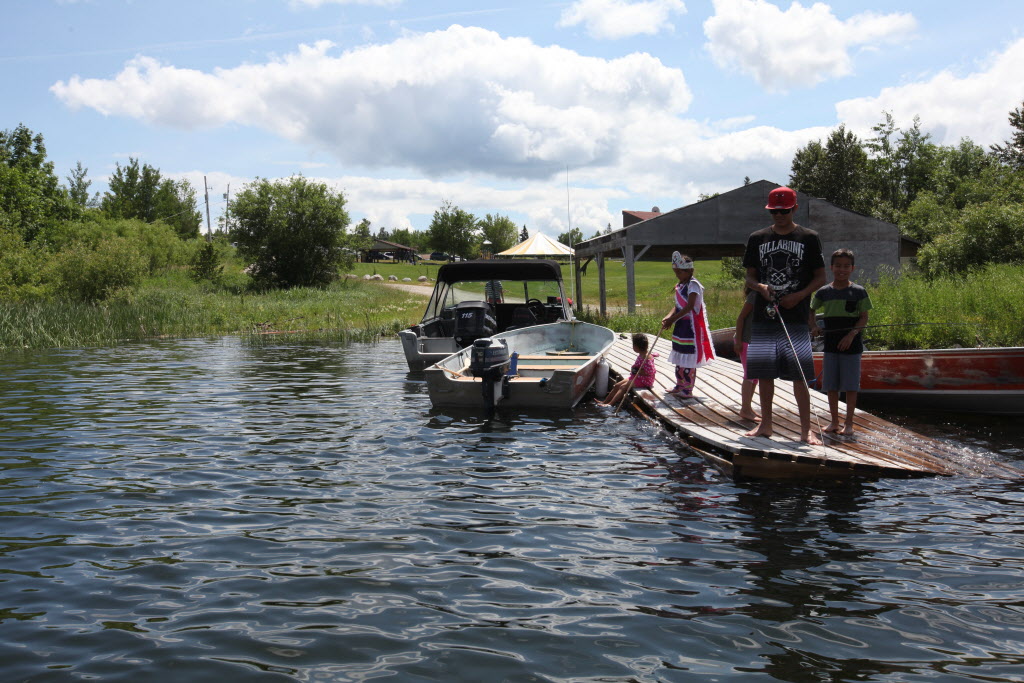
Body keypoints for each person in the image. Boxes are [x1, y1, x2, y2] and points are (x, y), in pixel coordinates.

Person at [742, 186, 826, 444]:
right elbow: (750, 275)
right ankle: (766, 425)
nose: (779, 215)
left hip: (796, 316)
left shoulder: (809, 238)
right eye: (774, 211)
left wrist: (799, 296)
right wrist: (760, 288)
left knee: (799, 374)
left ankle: (805, 430)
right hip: (764, 315)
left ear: (794, 209)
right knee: (765, 373)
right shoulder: (757, 238)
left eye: (784, 211)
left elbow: (821, 277)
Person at [810, 248, 872, 436]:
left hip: (852, 346)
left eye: (846, 266)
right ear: (831, 267)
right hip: (830, 344)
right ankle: (834, 422)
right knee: (831, 385)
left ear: (852, 268)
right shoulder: (824, 292)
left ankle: (849, 423)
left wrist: (851, 335)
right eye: (838, 266)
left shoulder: (859, 291)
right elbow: (810, 310)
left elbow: (863, 317)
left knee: (851, 386)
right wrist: (813, 326)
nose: (841, 270)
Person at [660, 252, 716, 396]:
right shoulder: (681, 285)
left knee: (688, 356)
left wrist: (673, 319)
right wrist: (668, 317)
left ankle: (687, 388)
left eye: (679, 272)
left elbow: (689, 306)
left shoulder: (694, 285)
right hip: (681, 326)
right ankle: (679, 384)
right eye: (675, 272)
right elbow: (677, 305)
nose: (677, 275)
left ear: (688, 270)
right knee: (680, 354)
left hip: (690, 326)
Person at [597, 333, 657, 406]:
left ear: (637, 347)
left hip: (644, 380)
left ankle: (610, 404)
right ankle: (604, 402)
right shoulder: (642, 354)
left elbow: (651, 372)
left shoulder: (646, 357)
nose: (633, 347)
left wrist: (638, 371)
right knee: (617, 385)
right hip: (636, 377)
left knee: (623, 387)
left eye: (633, 345)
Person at [733, 287, 760, 422]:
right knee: (749, 375)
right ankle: (744, 409)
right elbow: (741, 318)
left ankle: (748, 407)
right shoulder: (755, 295)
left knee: (755, 376)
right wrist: (738, 340)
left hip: (756, 340)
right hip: (744, 340)